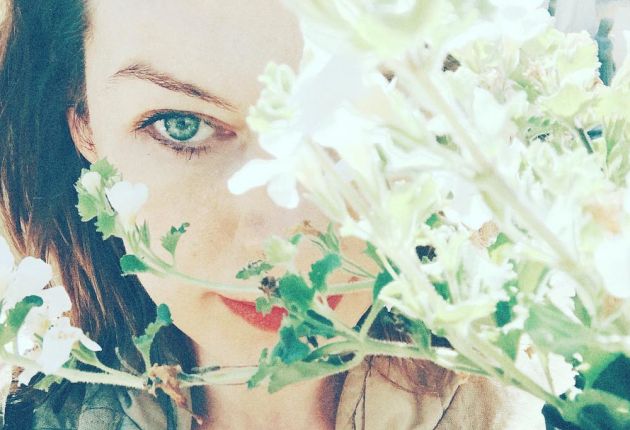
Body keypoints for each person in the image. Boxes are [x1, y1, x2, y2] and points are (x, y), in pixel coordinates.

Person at [0, 1, 545, 429]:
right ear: (85, 125)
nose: (287, 244)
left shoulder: (562, 393)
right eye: (181, 125)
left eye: (352, 118)